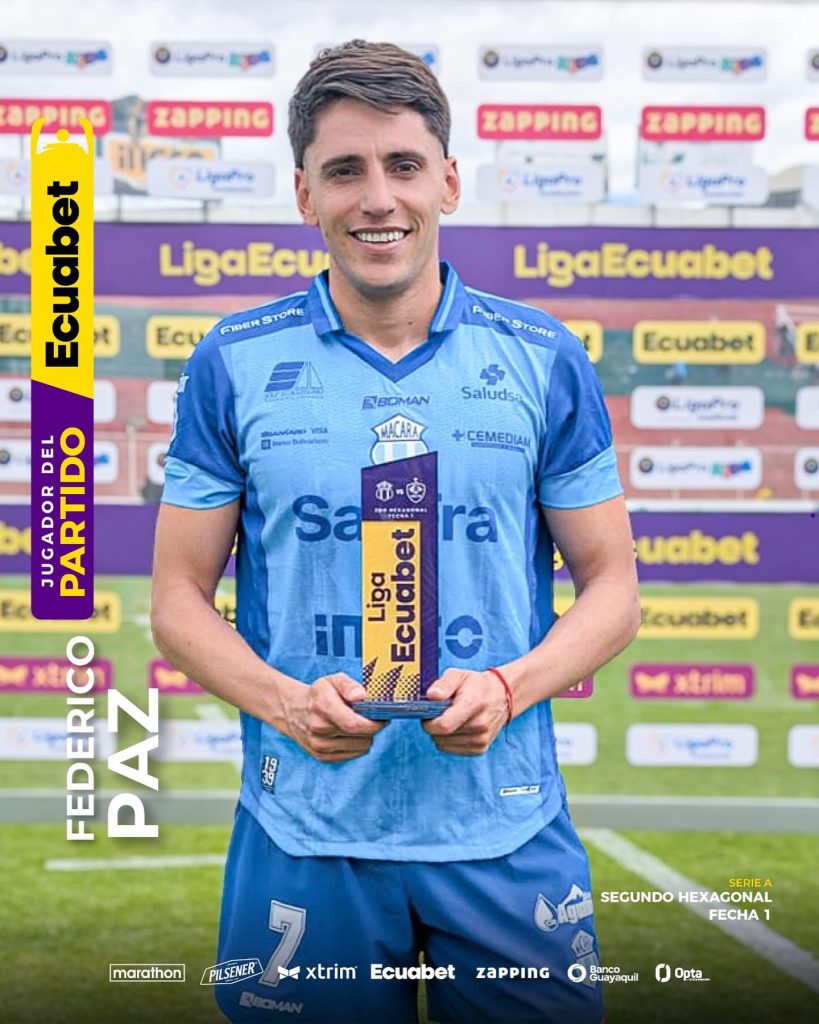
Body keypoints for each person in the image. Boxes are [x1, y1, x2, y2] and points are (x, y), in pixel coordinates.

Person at [151, 40, 640, 1024]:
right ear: (305, 194)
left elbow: (614, 589)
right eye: (345, 170)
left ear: (447, 181)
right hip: (306, 831)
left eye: (403, 165)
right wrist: (289, 704)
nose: (378, 199)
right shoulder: (232, 361)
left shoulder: (543, 356)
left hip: (503, 826)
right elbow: (175, 602)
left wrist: (509, 687)